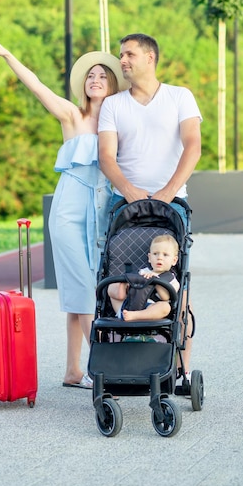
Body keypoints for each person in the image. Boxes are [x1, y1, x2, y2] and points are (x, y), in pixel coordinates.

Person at [0, 31, 129, 389]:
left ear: (112, 84)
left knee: (84, 290)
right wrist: (8, 55)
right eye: (91, 76)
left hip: (100, 215)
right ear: (84, 84)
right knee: (82, 287)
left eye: (103, 76)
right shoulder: (71, 115)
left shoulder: (117, 123)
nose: (96, 80)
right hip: (67, 212)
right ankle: (102, 368)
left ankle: (72, 371)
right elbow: (36, 86)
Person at [98, 33, 202, 380]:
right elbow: (106, 157)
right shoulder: (113, 104)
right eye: (121, 55)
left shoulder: (179, 97)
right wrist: (128, 191)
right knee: (120, 281)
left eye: (129, 54)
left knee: (175, 287)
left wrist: (168, 192)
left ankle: (182, 369)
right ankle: (120, 364)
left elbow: (192, 147)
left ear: (150, 58)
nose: (122, 60)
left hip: (171, 206)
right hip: (124, 207)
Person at [108, 234, 180, 321]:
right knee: (111, 286)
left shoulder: (173, 280)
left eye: (165, 255)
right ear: (149, 258)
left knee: (165, 307)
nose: (159, 258)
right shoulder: (143, 271)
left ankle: (136, 316)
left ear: (174, 260)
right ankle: (122, 307)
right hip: (129, 304)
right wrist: (126, 284)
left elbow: (165, 297)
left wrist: (156, 280)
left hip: (150, 308)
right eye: (155, 254)